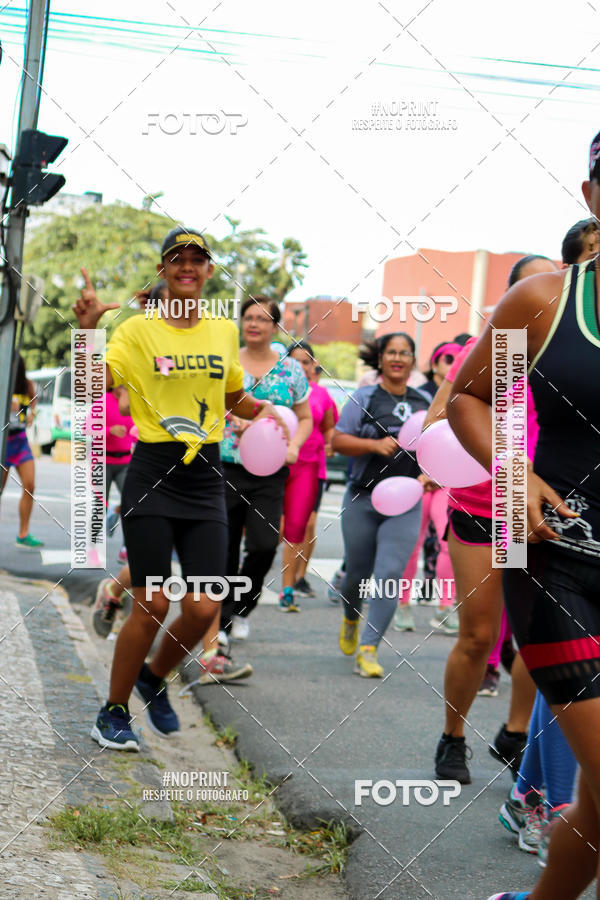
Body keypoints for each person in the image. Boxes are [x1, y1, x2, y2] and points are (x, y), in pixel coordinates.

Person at [72, 227, 287, 751]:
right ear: (164, 270)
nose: (187, 266)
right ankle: (114, 709)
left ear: (209, 270)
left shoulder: (218, 331)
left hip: (205, 474)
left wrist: (264, 414)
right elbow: (87, 387)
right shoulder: (139, 331)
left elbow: (232, 394)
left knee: (203, 605)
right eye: (177, 259)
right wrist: (86, 332)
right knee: (151, 602)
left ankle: (153, 677)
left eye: (197, 259)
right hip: (153, 470)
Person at [469, 129, 600, 900]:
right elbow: (470, 398)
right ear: (590, 196)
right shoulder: (547, 300)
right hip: (556, 561)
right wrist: (511, 468)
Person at [432, 254, 558, 785]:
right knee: (478, 636)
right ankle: (452, 736)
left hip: (531, 511)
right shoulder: (491, 354)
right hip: (480, 510)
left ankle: (512, 733)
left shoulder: (562, 359)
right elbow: (441, 418)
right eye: (530, 290)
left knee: (536, 639)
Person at [331, 333, 435, 677]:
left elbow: (437, 446)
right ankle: (350, 618)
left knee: (390, 574)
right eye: (391, 352)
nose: (398, 358)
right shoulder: (364, 397)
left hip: (406, 503)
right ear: (381, 358)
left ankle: (369, 648)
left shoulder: (425, 402)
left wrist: (429, 475)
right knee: (356, 574)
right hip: (362, 496)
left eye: (405, 353)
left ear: (412, 360)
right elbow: (338, 440)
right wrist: (373, 446)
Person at [217, 296, 312, 637]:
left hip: (271, 472)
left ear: (274, 326)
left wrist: (295, 446)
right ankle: (223, 619)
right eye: (248, 317)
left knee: (262, 545)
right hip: (225, 465)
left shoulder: (290, 369)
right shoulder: (225, 361)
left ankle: (244, 607)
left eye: (262, 318)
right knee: (224, 546)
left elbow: (304, 417)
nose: (253, 323)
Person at [283, 341, 337, 599]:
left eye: (306, 362)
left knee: (308, 524)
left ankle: (298, 578)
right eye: (295, 362)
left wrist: (329, 444)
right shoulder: (278, 391)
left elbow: (329, 427)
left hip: (313, 468)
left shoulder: (322, 395)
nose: (301, 367)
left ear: (313, 365)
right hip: (280, 465)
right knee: (284, 527)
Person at [1, 355, 43, 549]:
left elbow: (32, 408)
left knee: (30, 485)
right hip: (3, 442)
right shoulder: (2, 382)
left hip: (19, 442)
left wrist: (29, 413)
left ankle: (23, 533)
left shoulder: (28, 386)